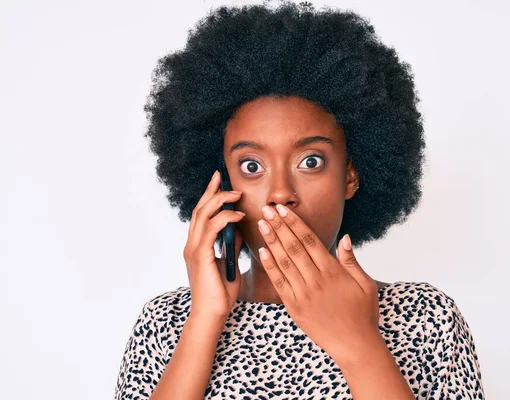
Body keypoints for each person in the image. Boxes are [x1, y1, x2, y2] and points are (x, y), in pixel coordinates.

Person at [113, 1, 485, 399]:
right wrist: (205, 318)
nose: (280, 193)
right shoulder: (165, 323)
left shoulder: (424, 318)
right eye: (252, 166)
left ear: (350, 175)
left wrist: (360, 346)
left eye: (310, 161)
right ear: (218, 187)